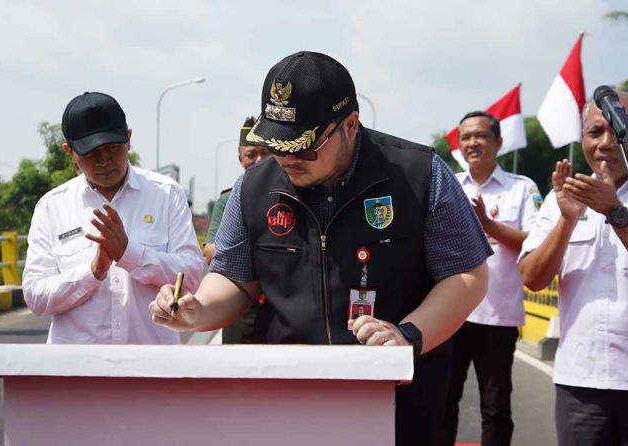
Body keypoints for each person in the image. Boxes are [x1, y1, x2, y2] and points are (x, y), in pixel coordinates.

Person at [150, 51, 492, 445]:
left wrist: (406, 336)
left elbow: (467, 274)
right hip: (289, 397)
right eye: (277, 146)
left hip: (396, 397)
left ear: (349, 125)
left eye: (304, 147)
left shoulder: (419, 174)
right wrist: (198, 310)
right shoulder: (253, 189)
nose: (287, 160)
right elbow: (234, 279)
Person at [23, 91, 203, 344]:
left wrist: (129, 253)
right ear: (69, 151)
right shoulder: (53, 207)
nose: (104, 161)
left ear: (129, 139)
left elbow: (192, 273)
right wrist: (94, 271)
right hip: (77, 370)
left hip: (151, 366)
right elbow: (36, 297)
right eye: (91, 153)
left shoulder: (165, 194)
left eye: (112, 148)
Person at [519, 91, 628, 445]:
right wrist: (567, 221)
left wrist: (616, 213)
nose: (607, 143)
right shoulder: (560, 199)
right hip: (579, 381)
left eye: (619, 131)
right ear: (582, 138)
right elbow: (533, 279)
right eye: (595, 132)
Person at [439, 111, 542, 446]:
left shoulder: (522, 188)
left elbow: (537, 243)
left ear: (498, 143)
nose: (473, 143)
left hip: (498, 317)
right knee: (442, 403)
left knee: (495, 408)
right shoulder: (447, 183)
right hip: (451, 314)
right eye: (466, 137)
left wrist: (489, 225)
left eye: (481, 136)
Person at [203, 116, 271, 344]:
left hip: (284, 309)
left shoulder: (290, 195)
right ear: (240, 159)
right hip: (241, 310)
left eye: (266, 152)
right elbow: (212, 252)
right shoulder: (229, 198)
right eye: (251, 155)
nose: (259, 160)